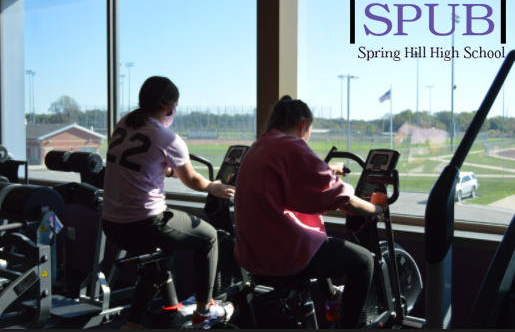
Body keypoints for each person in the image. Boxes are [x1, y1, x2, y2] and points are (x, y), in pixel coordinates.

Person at [233, 96, 388, 329]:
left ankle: (333, 297)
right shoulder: (291, 145)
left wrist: (329, 169)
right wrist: (379, 208)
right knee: (365, 261)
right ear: (303, 124)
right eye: (309, 131)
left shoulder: (259, 147)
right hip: (283, 257)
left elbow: (291, 178)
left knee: (315, 236)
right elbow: (347, 202)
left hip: (252, 256)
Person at [102, 76, 235, 329]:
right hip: (145, 222)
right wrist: (214, 187)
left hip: (112, 223)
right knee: (209, 237)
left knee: (157, 264)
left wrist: (166, 168)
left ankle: (131, 325)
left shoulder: (123, 125)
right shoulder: (167, 137)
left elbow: (140, 163)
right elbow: (193, 180)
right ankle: (204, 310)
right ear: (168, 107)